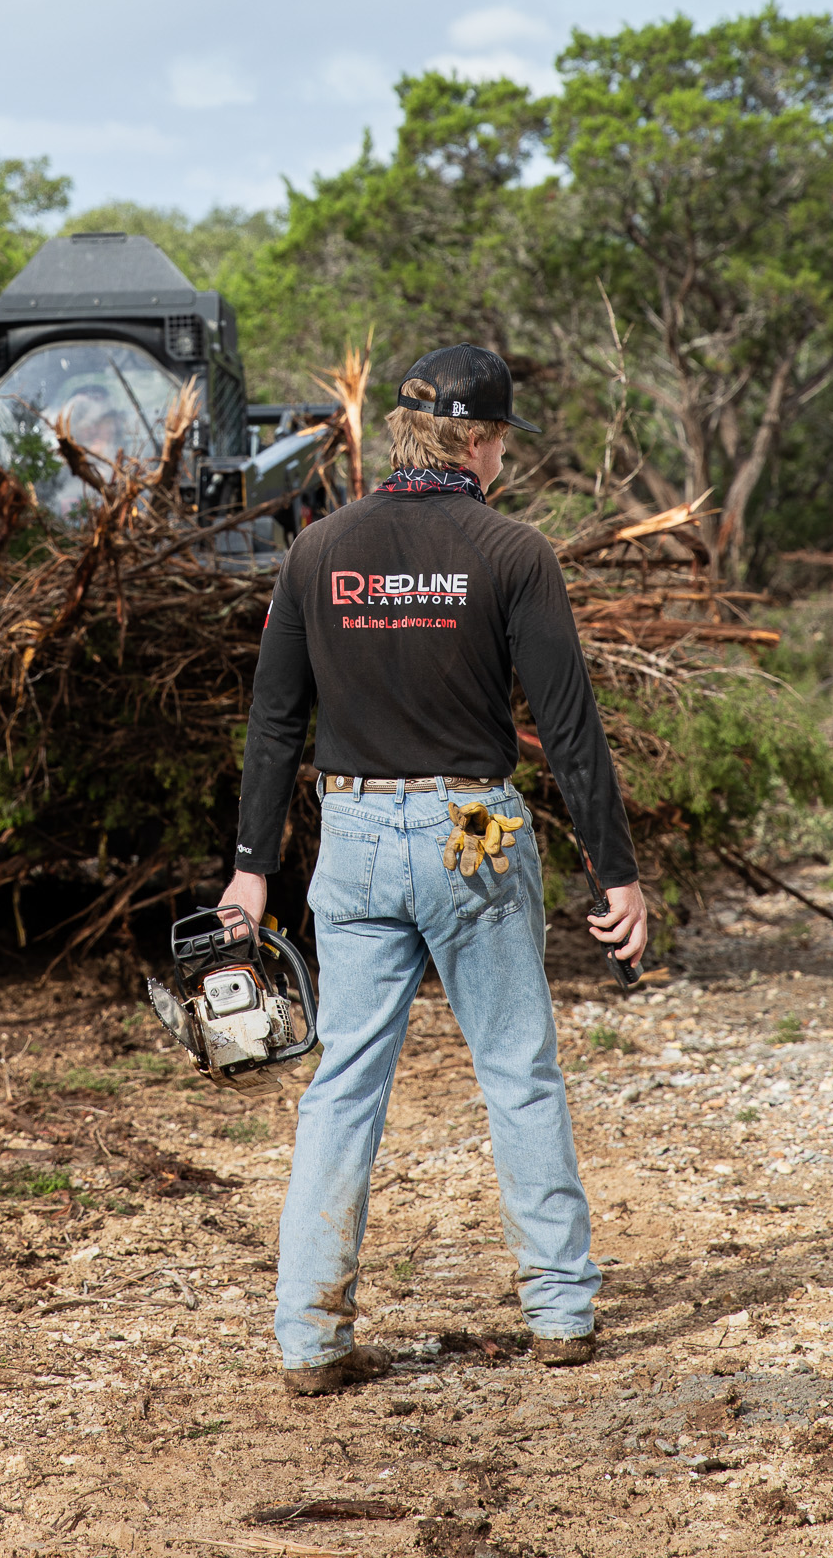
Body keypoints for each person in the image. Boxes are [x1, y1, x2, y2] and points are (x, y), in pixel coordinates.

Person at [220, 343, 647, 1395]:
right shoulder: (510, 551)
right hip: (473, 836)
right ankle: (558, 1309)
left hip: (352, 839)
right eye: (501, 438)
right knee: (515, 1068)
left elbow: (274, 722)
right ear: (480, 438)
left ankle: (308, 1337)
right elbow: (571, 731)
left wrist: (247, 871)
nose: (502, 455)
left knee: (342, 1083)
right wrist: (614, 872)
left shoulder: (317, 549)